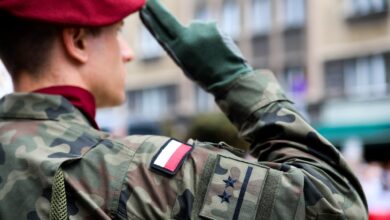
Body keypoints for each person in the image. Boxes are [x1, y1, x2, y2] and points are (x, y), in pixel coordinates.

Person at [0, 0, 367, 219]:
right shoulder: (130, 173)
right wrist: (233, 79)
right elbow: (338, 205)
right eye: (117, 31)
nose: (126, 52)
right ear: (77, 40)